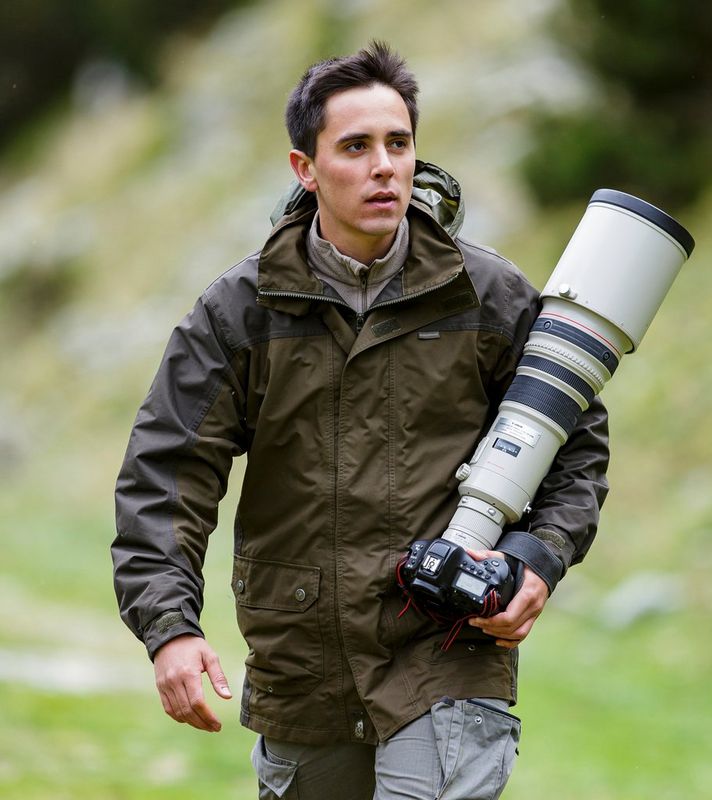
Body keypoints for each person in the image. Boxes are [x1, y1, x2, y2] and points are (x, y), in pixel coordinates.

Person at [112, 41, 609, 800]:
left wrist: (536, 558)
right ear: (305, 168)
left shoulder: (487, 295)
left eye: (398, 144)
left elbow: (575, 445)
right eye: (356, 147)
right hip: (299, 671)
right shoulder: (240, 312)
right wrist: (169, 627)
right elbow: (167, 476)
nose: (385, 167)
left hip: (448, 652)